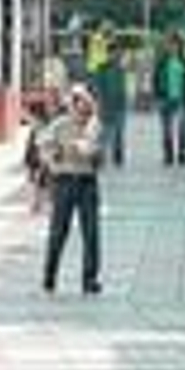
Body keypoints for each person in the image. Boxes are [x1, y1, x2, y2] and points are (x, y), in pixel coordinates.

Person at [39, 84, 104, 295]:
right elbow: (44, 147)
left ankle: (90, 279)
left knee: (91, 233)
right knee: (58, 232)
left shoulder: (93, 126)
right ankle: (49, 277)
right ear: (71, 105)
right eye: (77, 103)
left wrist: (90, 152)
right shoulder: (59, 126)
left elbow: (98, 155)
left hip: (87, 182)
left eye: (85, 103)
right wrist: (55, 157)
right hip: (64, 181)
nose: (81, 108)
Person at [153, 32, 185, 166]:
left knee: (182, 128)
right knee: (167, 129)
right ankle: (168, 154)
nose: (173, 47)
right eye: (171, 44)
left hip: (181, 99)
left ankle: (182, 153)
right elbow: (155, 80)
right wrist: (157, 97)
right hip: (165, 99)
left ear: (180, 46)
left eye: (176, 44)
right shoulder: (162, 62)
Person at [96, 40, 130, 167]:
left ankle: (118, 157)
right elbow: (98, 87)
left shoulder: (121, 69)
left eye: (117, 53)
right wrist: (100, 104)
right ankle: (101, 157)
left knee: (119, 134)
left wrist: (124, 102)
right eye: (113, 53)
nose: (115, 55)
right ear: (108, 53)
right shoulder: (102, 68)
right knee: (104, 134)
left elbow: (122, 88)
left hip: (119, 106)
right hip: (106, 106)